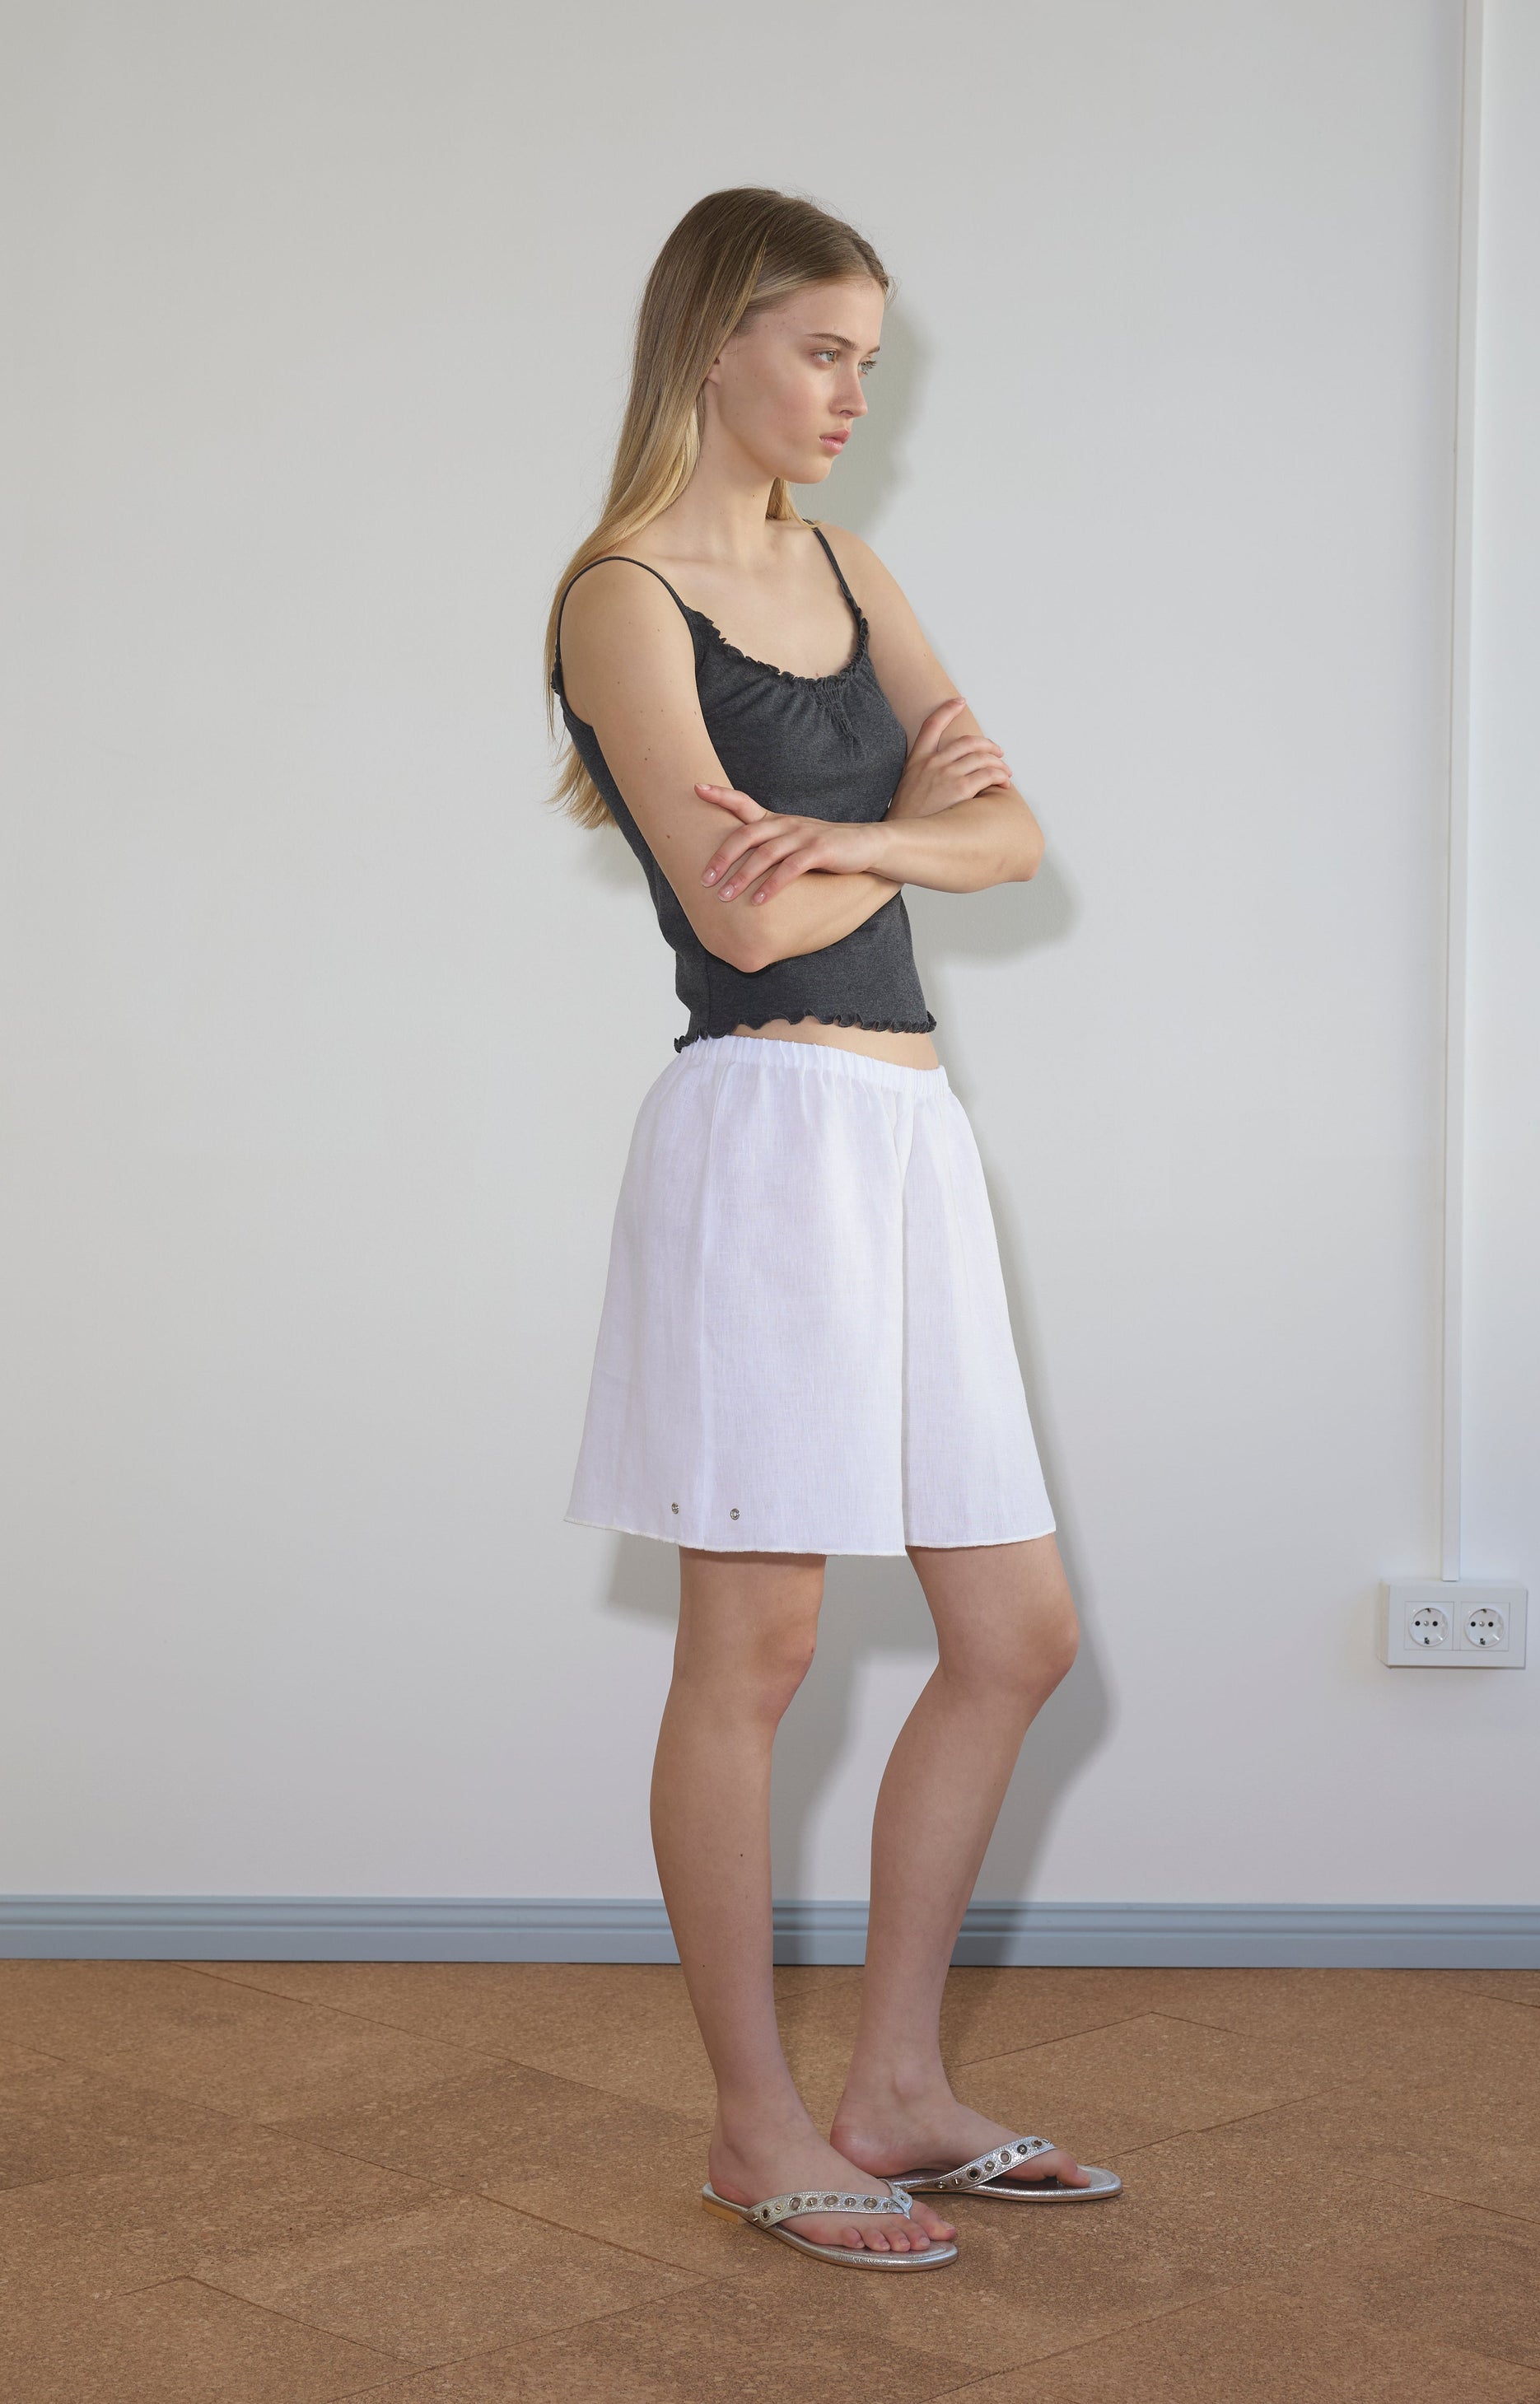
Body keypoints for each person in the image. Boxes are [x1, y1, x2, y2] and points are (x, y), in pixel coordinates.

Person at [545, 187, 1120, 2272]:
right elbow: (737, 911)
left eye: (869, 356)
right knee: (760, 1641)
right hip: (762, 1132)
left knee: (1017, 1631)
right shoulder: (621, 595)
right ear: (713, 340)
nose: (852, 391)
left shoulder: (850, 567)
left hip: (907, 1136)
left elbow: (1010, 831)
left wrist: (873, 834)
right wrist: (920, 847)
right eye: (822, 348)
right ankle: (752, 2118)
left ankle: (893, 2085)